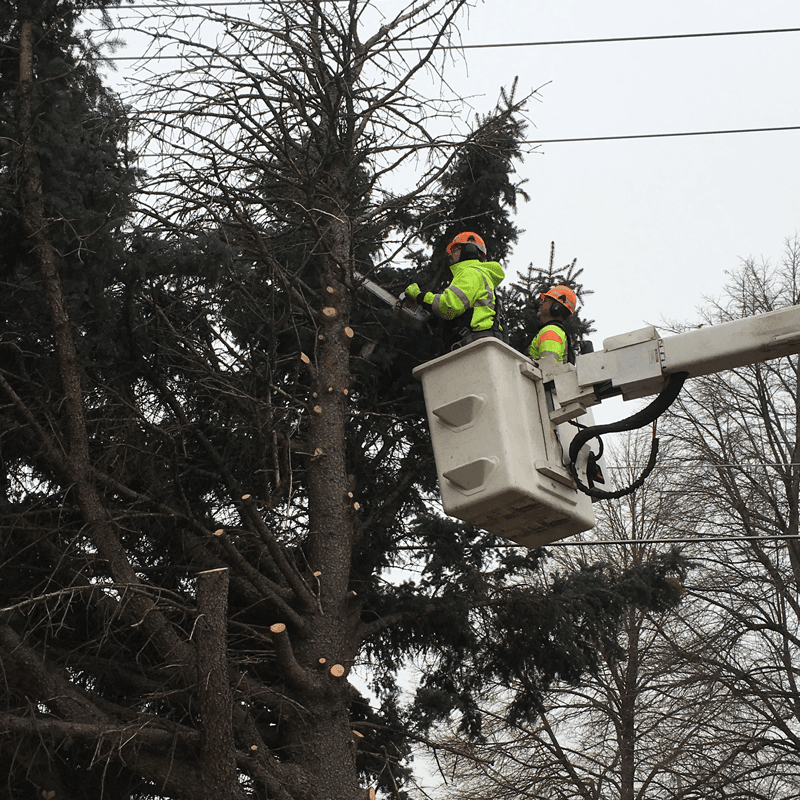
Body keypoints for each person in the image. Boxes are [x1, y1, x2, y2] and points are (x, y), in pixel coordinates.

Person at [404, 231, 505, 350]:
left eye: (455, 249)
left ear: (470, 250)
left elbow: (450, 305)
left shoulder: (471, 273)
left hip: (475, 347)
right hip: (477, 345)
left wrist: (419, 296)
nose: (450, 254)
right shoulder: (479, 276)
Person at [528, 284, 577, 364]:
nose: (540, 303)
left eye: (545, 300)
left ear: (556, 308)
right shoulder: (556, 331)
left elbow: (548, 368)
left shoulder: (551, 332)